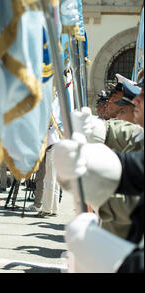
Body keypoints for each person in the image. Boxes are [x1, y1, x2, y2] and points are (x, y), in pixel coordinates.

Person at [54, 82, 144, 273]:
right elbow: (129, 162)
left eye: (143, 96)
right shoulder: (139, 135)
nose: (137, 100)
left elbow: (132, 201)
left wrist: (122, 264)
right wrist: (95, 130)